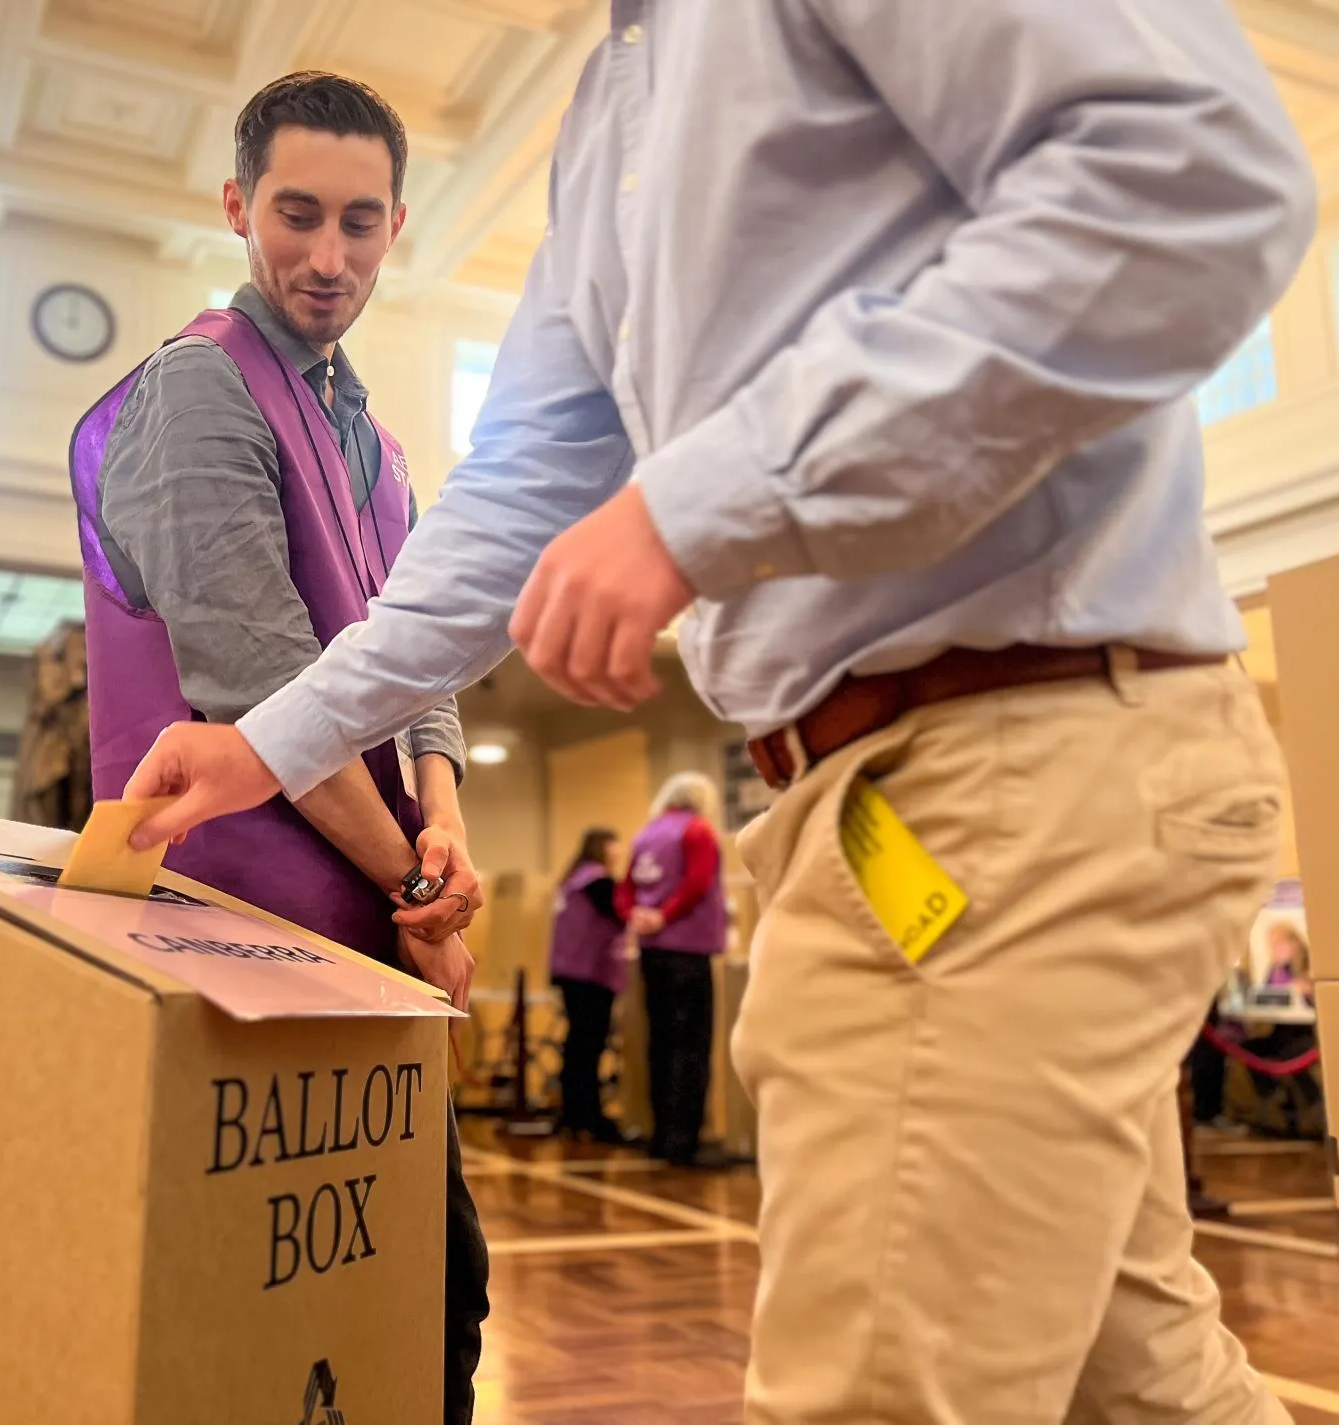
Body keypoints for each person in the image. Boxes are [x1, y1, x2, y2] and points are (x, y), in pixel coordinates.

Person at [122, 9, 1315, 1422]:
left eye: (360, 222)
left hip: (1012, 758)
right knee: (1143, 1385)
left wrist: (695, 505)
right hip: (876, 798)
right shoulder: (613, 105)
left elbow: (1192, 174)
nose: (330, 255)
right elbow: (520, 485)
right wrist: (268, 742)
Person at [67, 72, 488, 1425]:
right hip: (229, 935)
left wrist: (446, 827)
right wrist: (418, 889)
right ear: (239, 203)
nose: (328, 257)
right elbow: (269, 694)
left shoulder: (380, 442)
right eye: (297, 215)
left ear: (396, 226)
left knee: (422, 1304)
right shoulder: (201, 388)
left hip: (361, 938)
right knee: (244, 1334)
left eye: (360, 224)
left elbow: (417, 668)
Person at [618, 774, 727, 1168]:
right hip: (688, 948)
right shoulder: (698, 831)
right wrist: (664, 916)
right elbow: (698, 883)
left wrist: (638, 917)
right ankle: (685, 1142)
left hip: (652, 953)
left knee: (661, 1043)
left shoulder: (646, 835)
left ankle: (662, 1136)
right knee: (691, 1046)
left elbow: (625, 888)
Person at [548, 826, 628, 1143]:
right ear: (603, 847)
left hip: (569, 971)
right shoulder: (598, 882)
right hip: (590, 974)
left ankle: (573, 1113)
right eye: (615, 845)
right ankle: (589, 1115)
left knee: (577, 1045)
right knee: (589, 1046)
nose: (619, 852)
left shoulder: (573, 880)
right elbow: (624, 913)